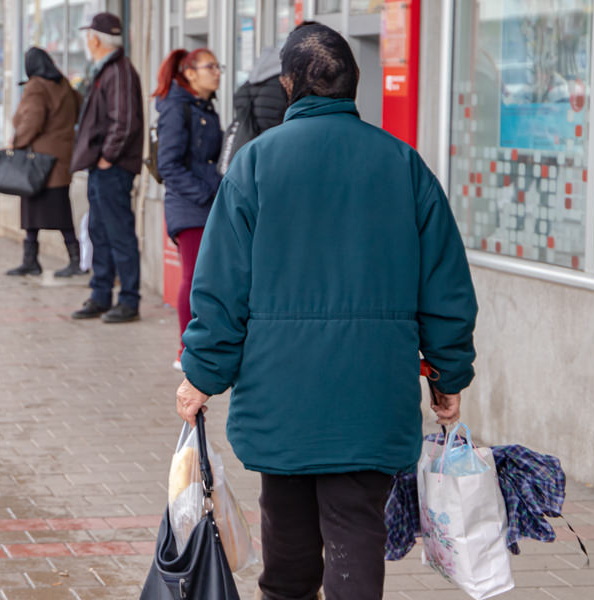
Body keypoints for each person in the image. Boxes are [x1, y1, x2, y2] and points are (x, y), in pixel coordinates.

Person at [174, 23, 477, 600]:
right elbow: (446, 288)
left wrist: (202, 376)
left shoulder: (254, 165)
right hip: (371, 394)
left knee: (286, 544)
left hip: (280, 393)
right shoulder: (403, 164)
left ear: (288, 84)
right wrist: (447, 375)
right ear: (354, 83)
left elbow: (220, 289)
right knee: (355, 533)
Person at [69, 12, 144, 323]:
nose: (87, 41)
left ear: (96, 39)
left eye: (88, 36)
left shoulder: (119, 71)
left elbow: (124, 121)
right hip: (101, 168)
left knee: (119, 233)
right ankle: (100, 295)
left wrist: (108, 157)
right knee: (98, 231)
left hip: (113, 168)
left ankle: (129, 300)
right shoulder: (106, 69)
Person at [152, 48, 224, 369]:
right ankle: (185, 350)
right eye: (210, 67)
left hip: (207, 204)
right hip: (189, 206)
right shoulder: (176, 109)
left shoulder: (205, 108)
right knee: (193, 277)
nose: (217, 72)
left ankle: (204, 344)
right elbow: (168, 165)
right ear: (191, 73)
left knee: (208, 278)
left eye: (218, 67)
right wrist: (205, 193)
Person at [6, 47, 84, 278]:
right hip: (59, 160)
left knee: (48, 211)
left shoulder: (36, 86)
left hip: (38, 161)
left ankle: (68, 261)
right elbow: (80, 109)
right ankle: (36, 260)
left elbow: (32, 119)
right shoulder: (64, 85)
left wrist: (17, 142)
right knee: (55, 209)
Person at [217, 45, 287, 174]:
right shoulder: (279, 85)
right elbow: (271, 126)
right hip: (267, 157)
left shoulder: (249, 83)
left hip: (249, 151)